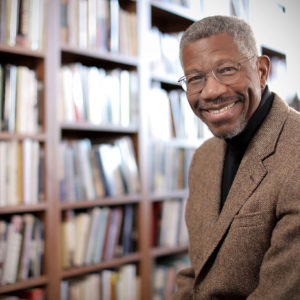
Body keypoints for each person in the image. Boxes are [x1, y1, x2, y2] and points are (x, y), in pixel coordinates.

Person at [172, 15, 300, 300]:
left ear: (262, 70)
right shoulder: (203, 158)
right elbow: (197, 273)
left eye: (227, 70)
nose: (212, 91)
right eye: (195, 79)